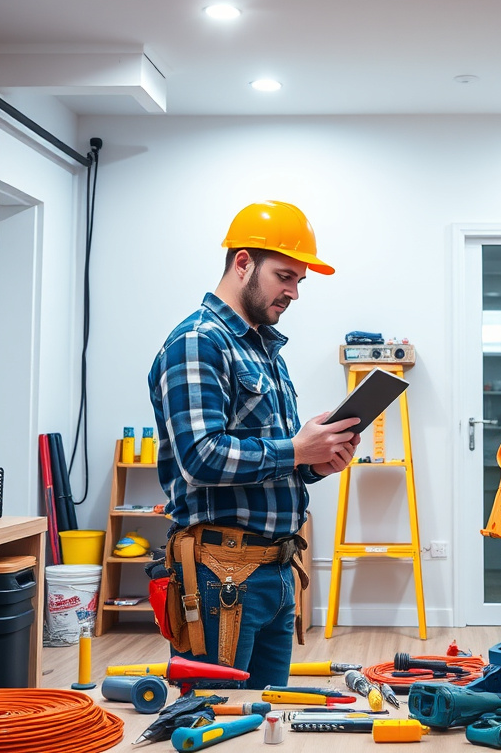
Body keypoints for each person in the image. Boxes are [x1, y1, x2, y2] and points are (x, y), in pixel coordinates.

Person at [148, 201, 360, 689]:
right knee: (212, 717)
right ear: (242, 263)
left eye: (299, 281)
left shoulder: (265, 349)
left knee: (267, 718)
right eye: (285, 276)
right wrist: (297, 450)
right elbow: (200, 457)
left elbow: (273, 458)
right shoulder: (198, 341)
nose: (294, 292)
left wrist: (317, 462)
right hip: (219, 574)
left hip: (275, 572)